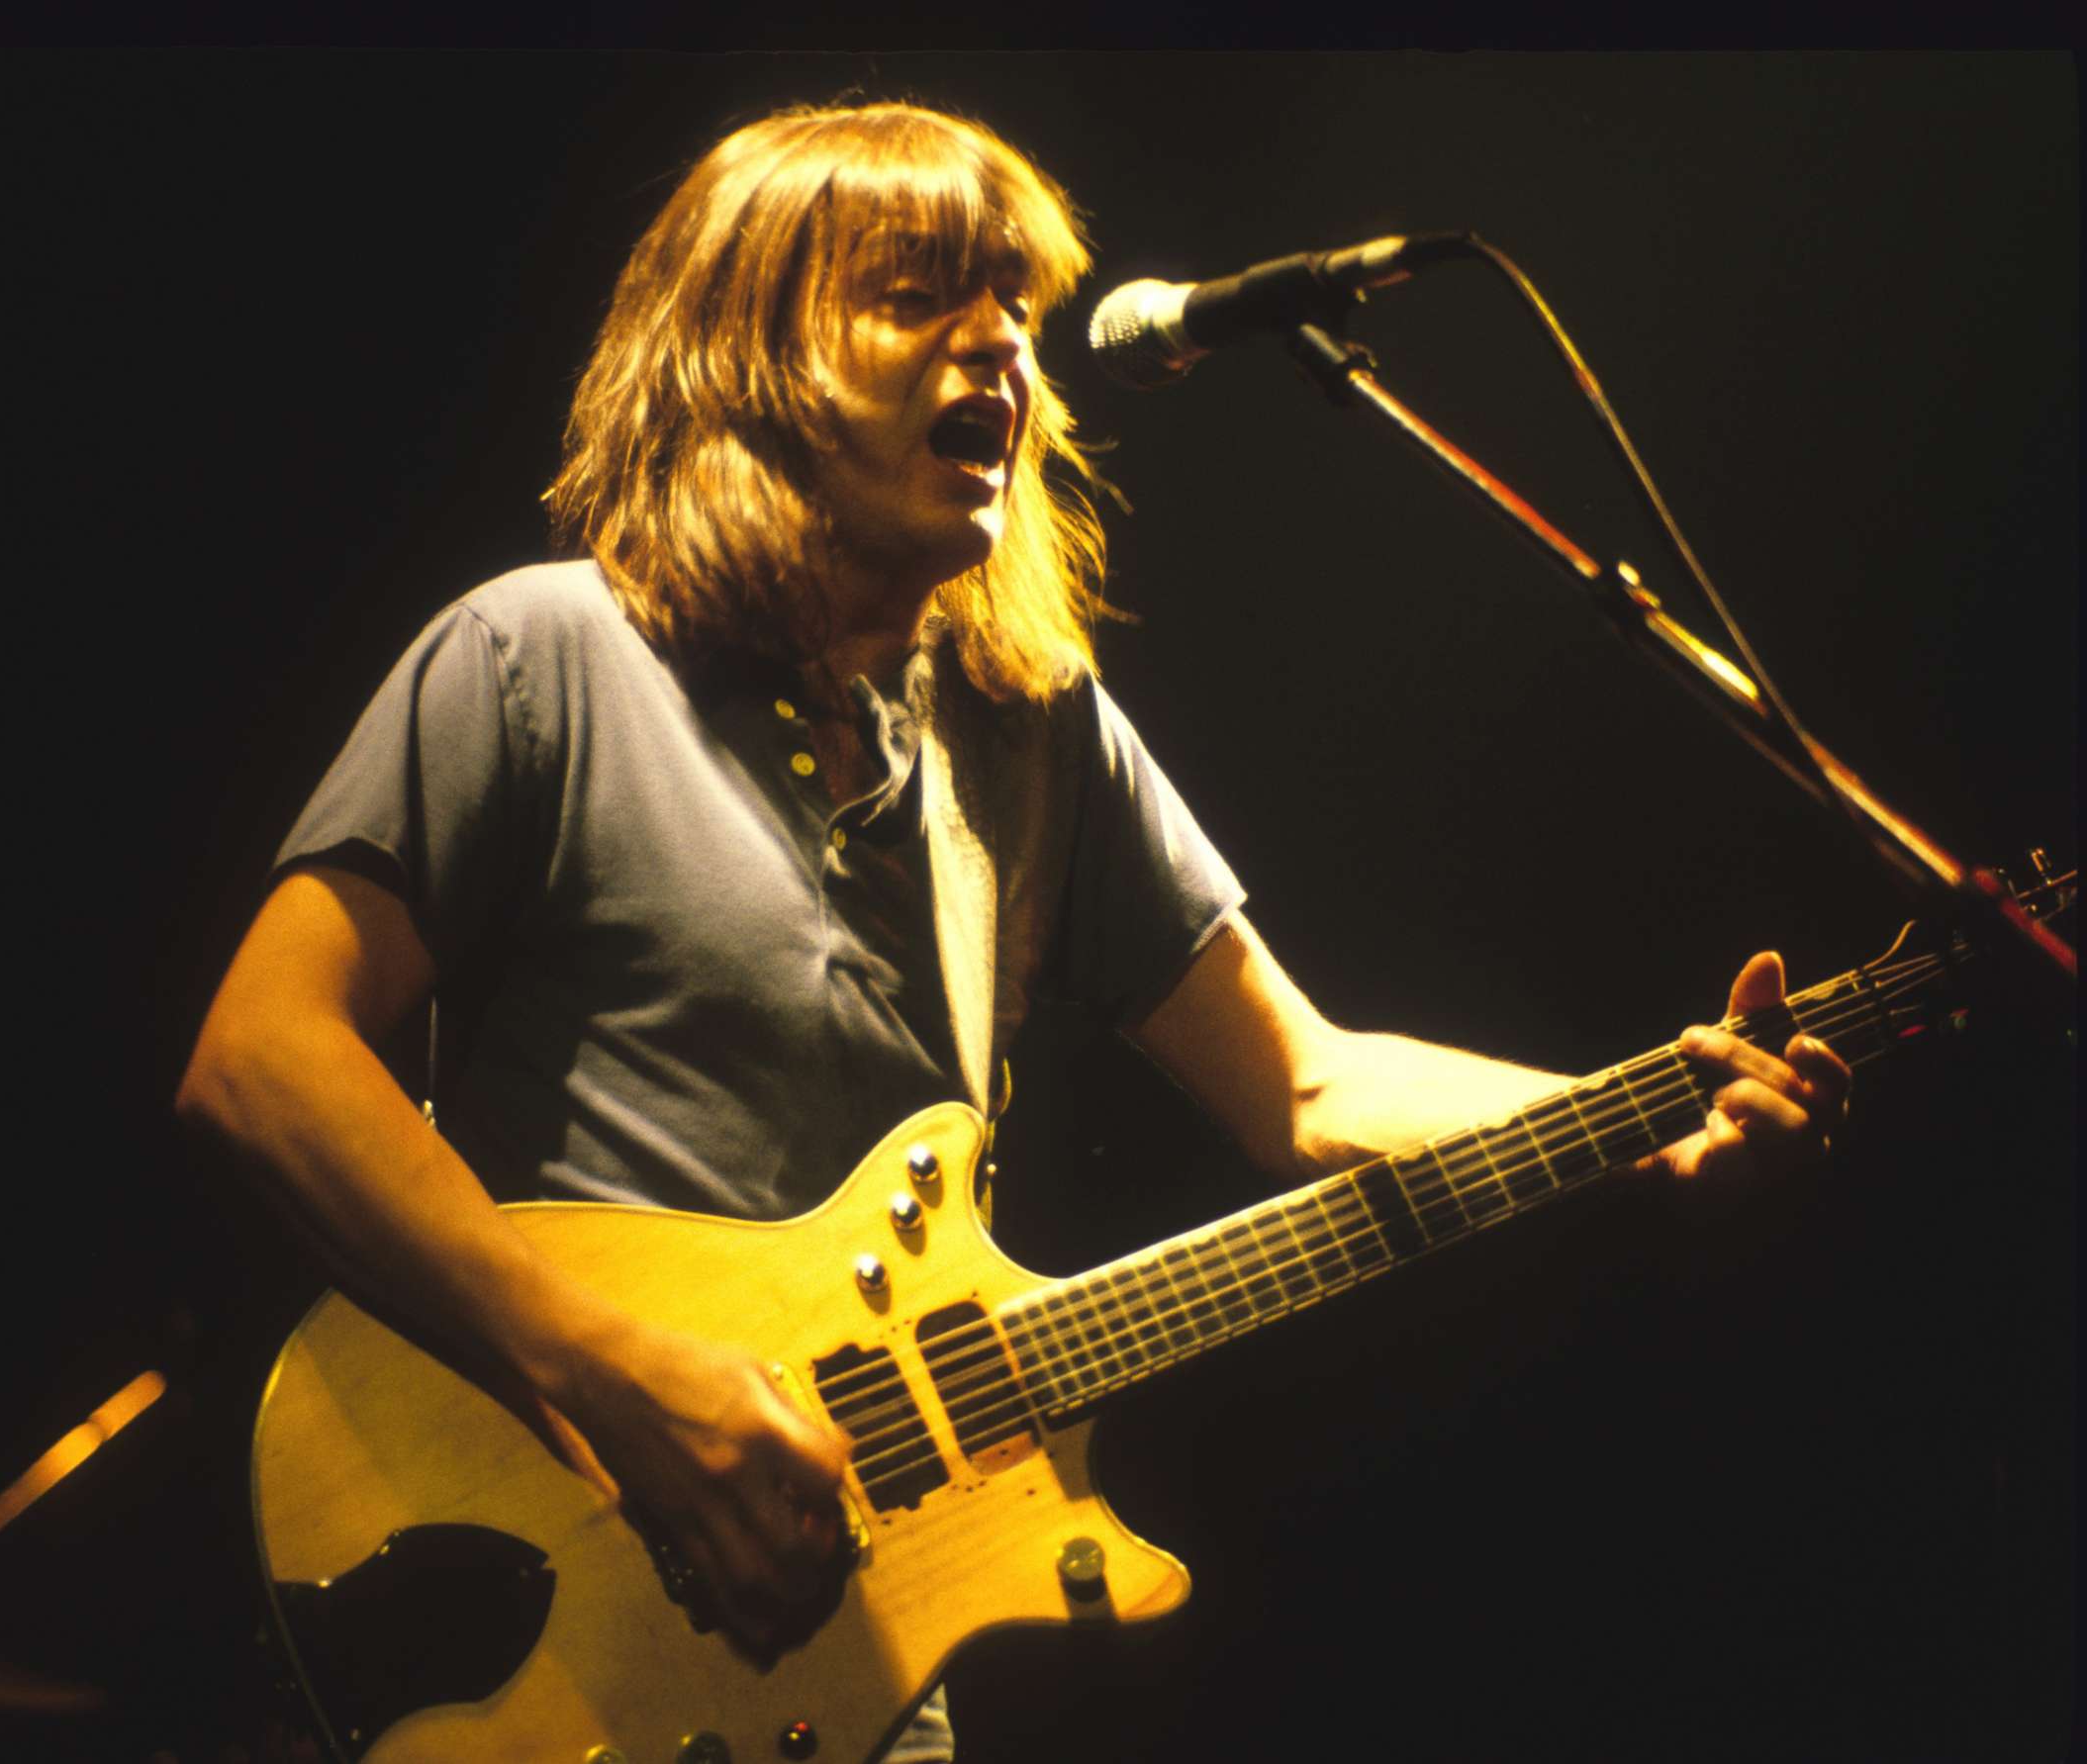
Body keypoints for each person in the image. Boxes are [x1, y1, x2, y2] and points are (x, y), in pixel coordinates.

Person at [174, 101, 1850, 1762]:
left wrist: (1642, 1116)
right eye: (920, 296)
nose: (1000, 350)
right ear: (748, 353)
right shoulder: (542, 658)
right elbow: (261, 1063)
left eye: (1020, 312)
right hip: (552, 1582)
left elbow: (1311, 1085)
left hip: (857, 1673)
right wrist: (615, 1380)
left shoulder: (1026, 730)